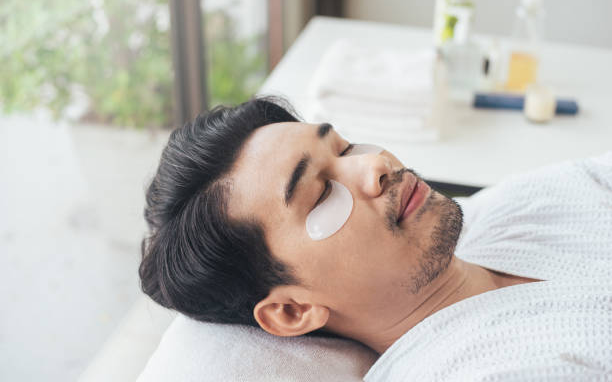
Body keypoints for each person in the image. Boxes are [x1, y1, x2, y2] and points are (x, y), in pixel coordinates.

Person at [139, 97, 612, 380]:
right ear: (292, 311)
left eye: (344, 147)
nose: (376, 165)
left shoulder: (514, 212)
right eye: (322, 191)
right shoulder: (481, 371)